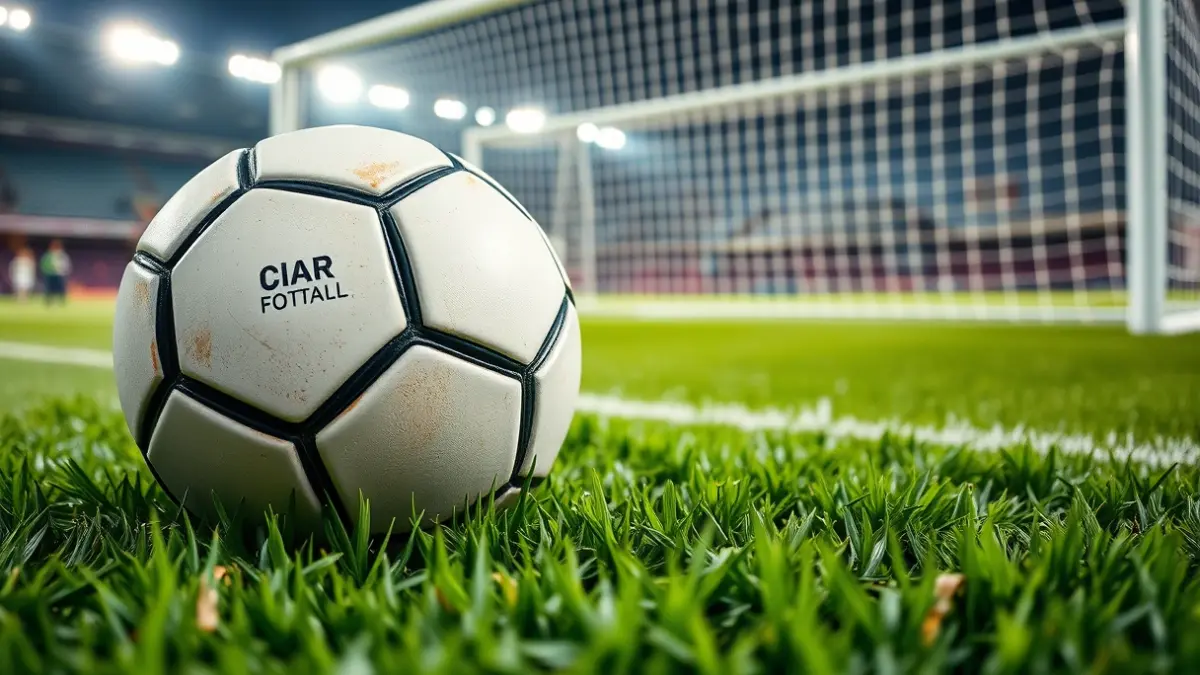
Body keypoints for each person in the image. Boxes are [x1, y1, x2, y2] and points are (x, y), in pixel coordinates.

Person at [40, 240, 72, 305]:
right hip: (50, 274)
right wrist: (47, 271)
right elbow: (44, 264)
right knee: (49, 288)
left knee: (61, 288)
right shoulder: (48, 255)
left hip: (60, 274)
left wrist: (65, 271)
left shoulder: (62, 255)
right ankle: (49, 301)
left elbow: (67, 264)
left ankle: (61, 301)